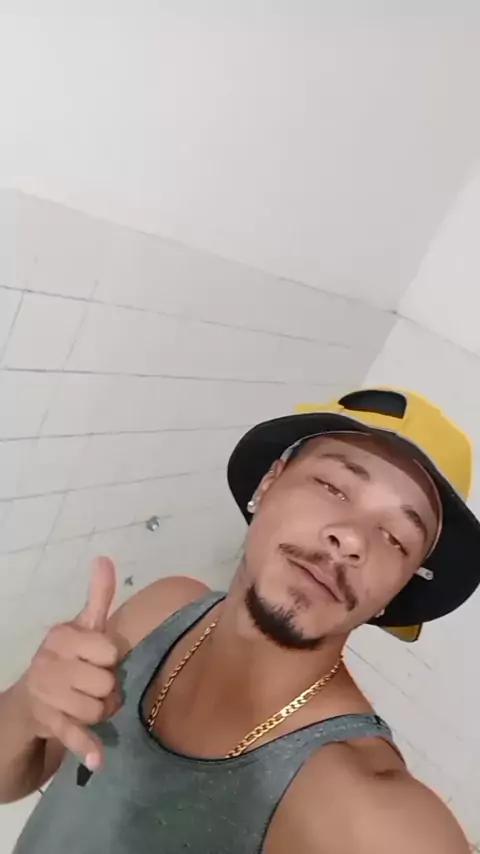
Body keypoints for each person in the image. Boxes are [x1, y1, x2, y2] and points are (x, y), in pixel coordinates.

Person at [1, 387, 479, 853]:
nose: (352, 539)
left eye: (396, 538)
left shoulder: (364, 809)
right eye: (332, 487)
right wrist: (27, 704)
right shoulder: (162, 609)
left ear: (395, 594)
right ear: (268, 484)